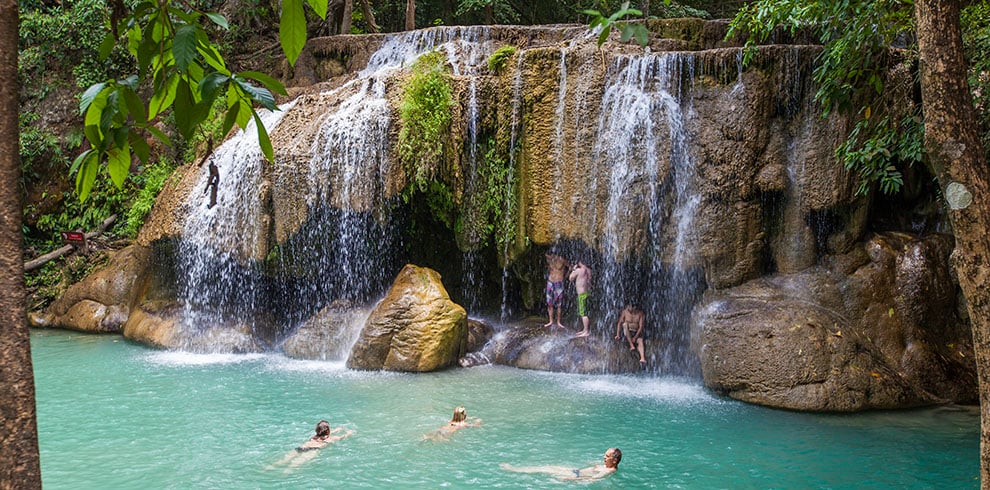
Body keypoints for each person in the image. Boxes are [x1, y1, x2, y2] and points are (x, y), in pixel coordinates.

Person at [268, 420, 354, 473]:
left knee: (282, 461)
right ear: (328, 431)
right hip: (312, 450)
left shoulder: (314, 436)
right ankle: (283, 475)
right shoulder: (331, 438)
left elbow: (323, 433)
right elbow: (342, 437)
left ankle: (266, 469)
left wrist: (336, 429)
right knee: (293, 465)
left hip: (301, 447)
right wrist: (349, 433)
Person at [500, 448, 621, 482]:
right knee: (549, 466)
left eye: (607, 456)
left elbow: (593, 479)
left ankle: (515, 470)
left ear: (614, 461)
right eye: (605, 455)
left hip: (576, 474)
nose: (603, 457)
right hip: (576, 471)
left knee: (545, 469)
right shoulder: (605, 466)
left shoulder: (609, 471)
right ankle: (517, 469)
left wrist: (570, 479)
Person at [544, 252, 569, 329]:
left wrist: (566, 276)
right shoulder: (550, 260)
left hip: (559, 282)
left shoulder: (562, 260)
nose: (549, 256)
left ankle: (558, 321)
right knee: (549, 303)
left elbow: (570, 267)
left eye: (551, 254)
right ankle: (551, 321)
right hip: (550, 282)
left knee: (559, 304)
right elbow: (546, 255)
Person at [569, 261, 593, 337]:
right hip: (588, 294)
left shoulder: (579, 270)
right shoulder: (589, 270)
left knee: (583, 313)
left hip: (582, 295)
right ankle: (585, 329)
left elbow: (570, 278)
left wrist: (573, 269)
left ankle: (586, 331)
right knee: (586, 312)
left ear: (580, 262)